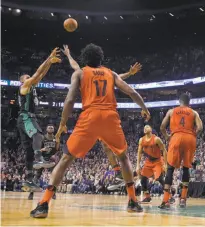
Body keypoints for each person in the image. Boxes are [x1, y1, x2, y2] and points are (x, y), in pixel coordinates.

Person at [30, 43, 150, 218]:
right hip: (110, 117)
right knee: (123, 157)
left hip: (90, 117)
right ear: (101, 59)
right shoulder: (111, 73)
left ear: (85, 59)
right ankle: (132, 201)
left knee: (65, 159)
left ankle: (43, 204)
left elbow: (70, 100)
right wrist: (144, 108)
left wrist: (63, 122)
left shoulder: (79, 73)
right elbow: (131, 92)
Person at [62, 45, 142, 190]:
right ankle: (119, 176)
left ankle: (118, 173)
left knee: (103, 146)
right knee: (109, 147)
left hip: (91, 114)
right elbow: (119, 79)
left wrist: (68, 55)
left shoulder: (82, 72)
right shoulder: (109, 73)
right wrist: (129, 74)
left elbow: (75, 66)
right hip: (108, 115)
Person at [17, 48, 61, 192]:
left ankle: (29, 180)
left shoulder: (32, 86)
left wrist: (50, 63)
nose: (30, 77)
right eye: (27, 76)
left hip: (24, 119)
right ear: (22, 81)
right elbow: (36, 74)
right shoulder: (24, 87)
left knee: (28, 150)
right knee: (38, 135)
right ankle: (38, 159)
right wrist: (49, 57)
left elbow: (40, 75)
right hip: (26, 117)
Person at [158, 93, 203, 209]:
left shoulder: (171, 111)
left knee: (170, 168)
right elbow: (200, 127)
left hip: (176, 137)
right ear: (189, 103)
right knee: (186, 168)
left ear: (179, 102)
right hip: (190, 138)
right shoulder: (194, 112)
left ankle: (166, 200)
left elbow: (162, 127)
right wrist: (193, 135)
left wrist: (167, 137)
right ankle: (183, 199)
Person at [135, 125, 169, 203]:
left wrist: (165, 164)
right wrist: (137, 165)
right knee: (143, 178)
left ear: (151, 129)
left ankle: (169, 196)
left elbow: (164, 150)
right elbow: (139, 153)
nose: (145, 127)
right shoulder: (141, 140)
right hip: (149, 161)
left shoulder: (156, 139)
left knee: (160, 179)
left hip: (158, 160)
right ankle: (147, 197)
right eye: (144, 127)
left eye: (147, 127)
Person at [28, 125, 60, 200]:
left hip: (50, 159)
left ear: (53, 129)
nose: (50, 128)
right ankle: (31, 193)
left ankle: (53, 193)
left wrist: (58, 144)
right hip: (42, 158)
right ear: (46, 129)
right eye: (49, 127)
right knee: (37, 176)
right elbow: (37, 149)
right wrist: (43, 149)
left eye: (52, 127)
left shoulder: (56, 138)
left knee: (54, 177)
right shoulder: (42, 138)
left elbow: (57, 149)